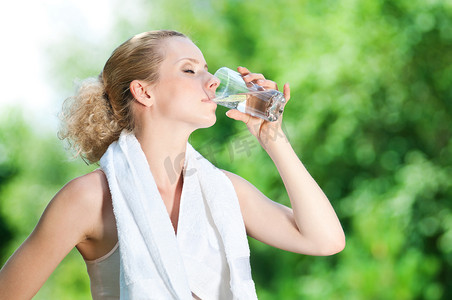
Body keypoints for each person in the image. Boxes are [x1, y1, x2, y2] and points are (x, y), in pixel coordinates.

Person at [0, 30, 345, 299]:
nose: (211, 81)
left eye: (207, 70)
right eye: (189, 70)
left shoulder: (225, 191)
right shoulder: (89, 198)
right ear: (144, 92)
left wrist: (272, 136)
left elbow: (325, 240)